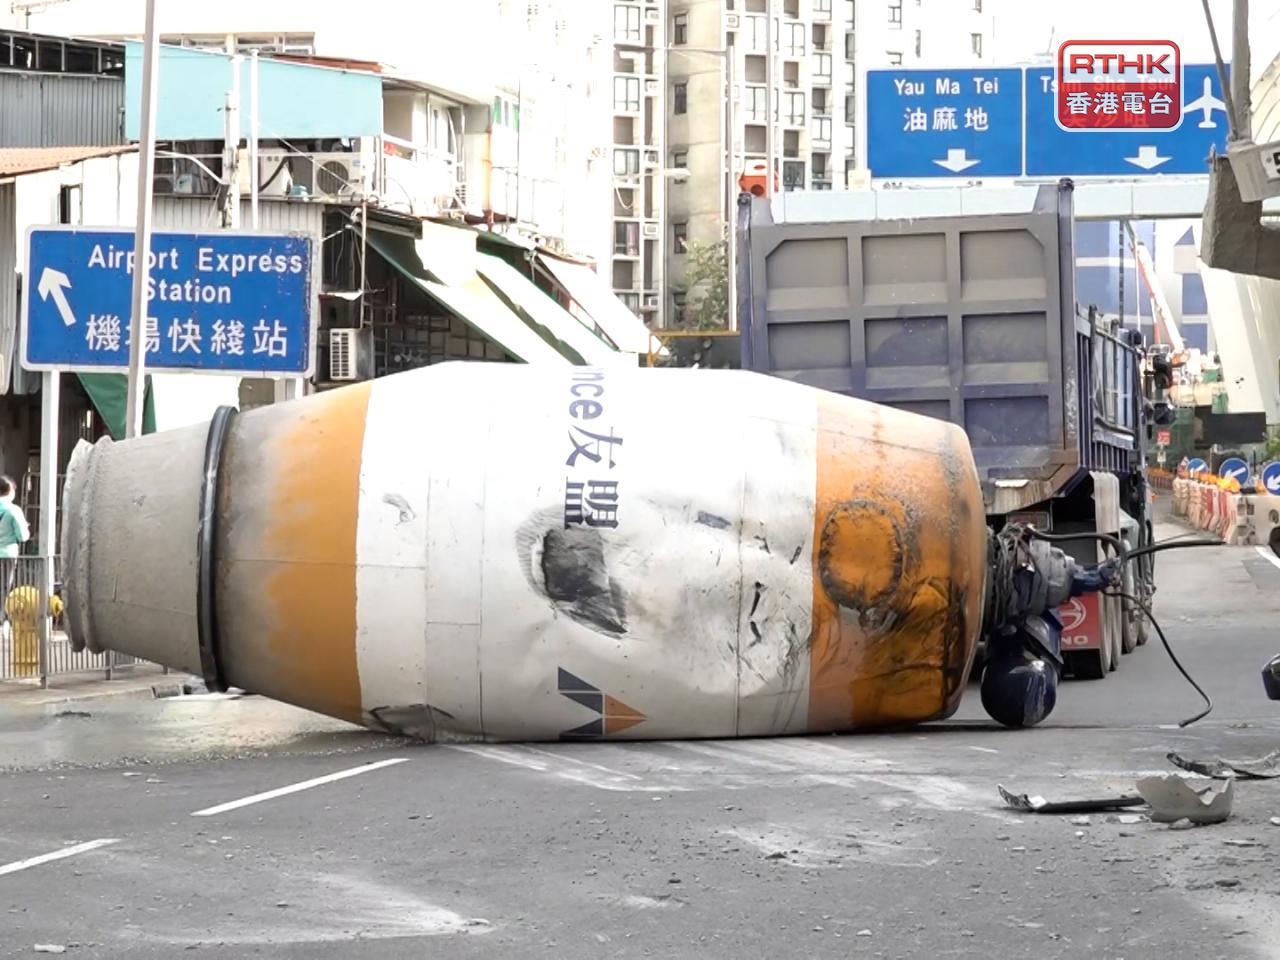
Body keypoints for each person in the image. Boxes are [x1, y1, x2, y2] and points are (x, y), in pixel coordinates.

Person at [0, 476, 31, 624]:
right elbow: (23, 536)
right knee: (4, 587)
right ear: (10, 490)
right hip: (7, 554)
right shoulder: (13, 510)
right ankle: (1, 617)